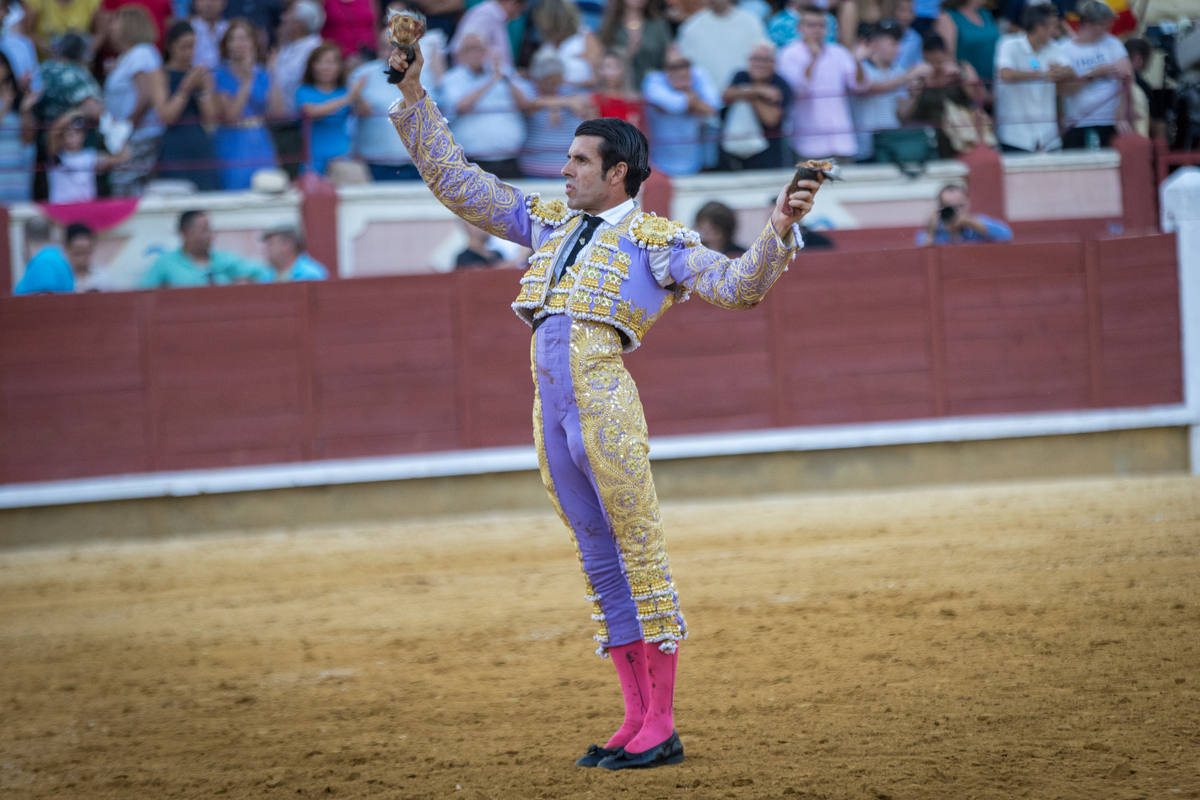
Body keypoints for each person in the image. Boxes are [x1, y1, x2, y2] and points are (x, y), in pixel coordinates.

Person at [386, 39, 819, 771]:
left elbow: (740, 286)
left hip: (605, 405)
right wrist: (415, 97)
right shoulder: (547, 221)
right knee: (598, 562)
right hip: (549, 412)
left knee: (640, 556)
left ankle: (665, 723)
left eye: (579, 162)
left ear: (618, 173)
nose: (564, 170)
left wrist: (778, 228)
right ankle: (634, 716)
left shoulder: (660, 241)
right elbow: (458, 183)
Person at [436, 31, 531, 179]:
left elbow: (526, 105)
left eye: (479, 48)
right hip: (471, 163)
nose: (475, 53)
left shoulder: (506, 74)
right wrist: (492, 81)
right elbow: (459, 106)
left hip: (509, 160)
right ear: (461, 54)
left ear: (487, 51)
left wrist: (504, 77)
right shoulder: (452, 79)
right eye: (469, 49)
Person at [350, 24, 439, 181]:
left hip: (417, 164)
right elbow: (352, 111)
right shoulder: (362, 75)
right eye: (386, 46)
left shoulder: (424, 76)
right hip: (374, 163)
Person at [777, 5, 866, 161]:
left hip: (842, 140)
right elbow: (798, 90)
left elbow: (859, 86)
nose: (817, 30)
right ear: (800, 28)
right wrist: (813, 60)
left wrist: (858, 61)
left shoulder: (839, 52)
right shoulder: (788, 54)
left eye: (821, 25)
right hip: (809, 144)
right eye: (811, 25)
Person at [214, 18, 283, 189]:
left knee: (267, 187)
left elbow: (277, 113)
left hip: (260, 139)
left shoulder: (262, 73)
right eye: (233, 39)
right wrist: (246, 81)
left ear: (253, 43)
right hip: (233, 140)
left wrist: (272, 73)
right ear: (226, 44)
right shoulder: (219, 74)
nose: (239, 44)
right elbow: (230, 115)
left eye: (244, 38)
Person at [103, 4, 165, 195]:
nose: (111, 27)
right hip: (125, 135)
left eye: (116, 22)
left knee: (126, 185)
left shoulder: (142, 53)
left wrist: (126, 125)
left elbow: (145, 95)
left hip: (139, 135)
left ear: (129, 25)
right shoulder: (125, 57)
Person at [993, 4, 1070, 153]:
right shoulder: (1008, 43)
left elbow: (1069, 69)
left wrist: (1061, 71)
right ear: (1039, 27)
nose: (1056, 32)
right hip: (1015, 136)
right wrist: (1043, 74)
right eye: (1052, 27)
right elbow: (1005, 74)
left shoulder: (1053, 47)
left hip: (1048, 137)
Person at [1057, 0, 1133, 149]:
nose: (1109, 27)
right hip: (1078, 122)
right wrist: (1093, 74)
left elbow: (1127, 77)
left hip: (1109, 121)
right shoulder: (1064, 49)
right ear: (1088, 25)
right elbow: (1064, 88)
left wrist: (1121, 115)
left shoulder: (1112, 43)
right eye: (1104, 24)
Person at [154, 21, 220, 190]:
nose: (189, 53)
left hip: (200, 145)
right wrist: (186, 87)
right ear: (170, 46)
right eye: (184, 47)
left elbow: (211, 118)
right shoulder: (159, 74)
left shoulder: (201, 75)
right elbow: (166, 116)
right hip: (174, 147)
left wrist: (202, 90)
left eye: (192, 47)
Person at [900, 32, 985, 157]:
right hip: (928, 138)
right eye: (931, 61)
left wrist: (961, 78)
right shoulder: (916, 72)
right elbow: (903, 115)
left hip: (961, 135)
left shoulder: (963, 66)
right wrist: (917, 89)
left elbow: (981, 97)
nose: (936, 66)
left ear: (947, 54)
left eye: (939, 61)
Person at [642, 44, 721, 176]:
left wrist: (689, 97)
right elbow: (674, 105)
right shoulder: (653, 81)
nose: (681, 71)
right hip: (659, 166)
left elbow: (714, 108)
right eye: (674, 67)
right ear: (665, 69)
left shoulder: (698, 74)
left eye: (685, 66)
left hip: (696, 165)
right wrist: (694, 98)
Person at [139, 209, 272, 287]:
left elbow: (263, 273)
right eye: (204, 230)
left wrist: (245, 284)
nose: (210, 235)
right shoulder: (165, 263)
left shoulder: (225, 260)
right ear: (185, 233)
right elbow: (144, 293)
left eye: (209, 230)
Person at [519, 50, 596, 178]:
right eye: (549, 80)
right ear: (538, 78)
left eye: (557, 79)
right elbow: (528, 105)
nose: (554, 85)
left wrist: (559, 103)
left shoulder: (568, 91)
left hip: (567, 171)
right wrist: (560, 103)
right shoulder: (528, 90)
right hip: (533, 170)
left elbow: (586, 106)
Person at [296, 43, 367, 176]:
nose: (325, 67)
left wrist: (357, 92)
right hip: (314, 162)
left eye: (330, 63)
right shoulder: (304, 91)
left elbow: (366, 111)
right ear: (312, 66)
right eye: (319, 62)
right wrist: (347, 98)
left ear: (340, 67)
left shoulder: (345, 91)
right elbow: (311, 112)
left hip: (342, 160)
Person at [720, 41, 793, 169]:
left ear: (774, 63)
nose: (760, 64)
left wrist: (747, 94)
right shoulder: (741, 76)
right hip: (735, 153)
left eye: (765, 60)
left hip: (769, 156)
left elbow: (771, 119)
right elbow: (726, 96)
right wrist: (759, 91)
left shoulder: (781, 84)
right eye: (756, 59)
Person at [850, 20, 916, 161]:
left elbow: (902, 114)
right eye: (893, 43)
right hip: (864, 149)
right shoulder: (860, 68)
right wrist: (907, 77)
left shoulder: (899, 71)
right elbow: (867, 87)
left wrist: (915, 94)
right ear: (875, 43)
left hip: (892, 146)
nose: (898, 49)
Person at [677, 0, 768, 94]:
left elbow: (764, 61)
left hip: (745, 97)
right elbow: (684, 66)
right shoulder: (691, 27)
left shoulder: (751, 22)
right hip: (706, 99)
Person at [47, 111, 128, 202]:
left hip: (85, 210)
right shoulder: (56, 156)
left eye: (76, 133)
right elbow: (52, 132)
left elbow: (122, 158)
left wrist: (114, 129)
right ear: (62, 136)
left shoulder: (90, 157)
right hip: (60, 211)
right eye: (68, 133)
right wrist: (79, 112)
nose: (72, 137)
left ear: (83, 135)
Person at [597, 0, 671, 92]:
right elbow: (604, 58)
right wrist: (627, 53)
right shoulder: (611, 25)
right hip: (623, 89)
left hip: (656, 87)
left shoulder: (658, 24)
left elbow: (669, 55)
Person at [532, 0, 602, 90]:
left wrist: (566, 83)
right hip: (551, 100)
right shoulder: (546, 45)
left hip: (582, 98)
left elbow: (601, 79)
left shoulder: (585, 38)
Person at [916, 183, 1012, 245]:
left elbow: (1006, 234)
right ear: (941, 209)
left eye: (960, 206)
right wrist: (931, 230)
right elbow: (922, 244)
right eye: (950, 208)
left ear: (967, 204)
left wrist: (972, 223)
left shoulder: (977, 222)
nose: (956, 212)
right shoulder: (937, 229)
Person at [449, 0, 526, 73]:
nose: (519, 15)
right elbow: (459, 50)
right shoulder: (485, 15)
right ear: (513, 2)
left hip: (497, 77)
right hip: (478, 80)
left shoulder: (496, 16)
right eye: (521, 10)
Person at [933, 0, 1000, 84]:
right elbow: (947, 58)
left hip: (995, 83)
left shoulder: (986, 14)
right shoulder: (947, 17)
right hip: (967, 84)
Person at [0, 50, 35, 204]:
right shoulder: (9, 103)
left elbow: (28, 140)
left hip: (17, 172)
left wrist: (26, 110)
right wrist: (5, 107)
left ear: (7, 68)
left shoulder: (18, 99)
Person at [13, 216, 73, 295]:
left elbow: (43, 303)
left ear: (25, 238)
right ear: (49, 236)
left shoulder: (43, 263)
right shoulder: (58, 257)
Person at [23, 0, 102, 54]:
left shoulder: (91, 2)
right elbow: (25, 33)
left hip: (80, 66)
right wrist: (45, 46)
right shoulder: (35, 2)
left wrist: (84, 50)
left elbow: (100, 33)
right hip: (45, 66)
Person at [591, 51, 643, 128]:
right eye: (603, 67)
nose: (607, 72)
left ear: (624, 69)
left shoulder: (636, 100)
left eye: (612, 67)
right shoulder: (595, 100)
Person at [261, 224, 328, 280]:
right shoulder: (266, 276)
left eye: (270, 244)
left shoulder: (311, 275)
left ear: (288, 244)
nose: (266, 249)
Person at [64, 223, 117, 291]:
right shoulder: (59, 276)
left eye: (86, 253)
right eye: (77, 254)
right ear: (67, 249)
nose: (82, 259)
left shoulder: (102, 275)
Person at [190, 0, 229, 70]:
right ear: (194, 3)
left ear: (224, 2)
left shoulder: (229, 29)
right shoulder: (188, 29)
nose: (208, 4)